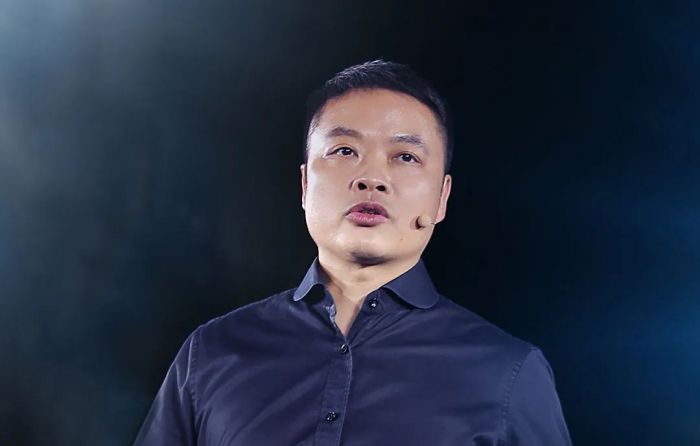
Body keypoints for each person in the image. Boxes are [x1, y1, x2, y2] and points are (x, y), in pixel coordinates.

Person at [133, 60, 572, 445]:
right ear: (305, 185)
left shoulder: (508, 373)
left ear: (442, 198)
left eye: (405, 157)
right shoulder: (212, 353)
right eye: (345, 150)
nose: (371, 178)